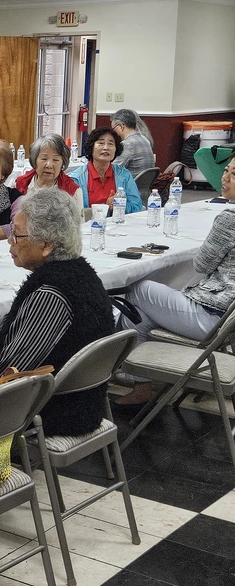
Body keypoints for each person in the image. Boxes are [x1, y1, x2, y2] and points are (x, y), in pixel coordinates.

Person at [0, 190, 116, 437]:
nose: (10, 241)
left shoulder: (51, 293)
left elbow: (10, 368)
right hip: (81, 399)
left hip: (55, 410)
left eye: (16, 234)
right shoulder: (82, 275)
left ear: (47, 245)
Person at [114, 153, 235, 406]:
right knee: (140, 311)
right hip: (227, 322)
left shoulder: (228, 220)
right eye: (227, 170)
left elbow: (201, 265)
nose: (225, 177)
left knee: (135, 289)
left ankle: (114, 370)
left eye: (234, 175)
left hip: (213, 316)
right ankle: (137, 379)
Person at [70, 125, 142, 214]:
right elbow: (72, 213)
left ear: (116, 150)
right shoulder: (75, 178)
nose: (106, 148)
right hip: (87, 226)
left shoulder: (124, 175)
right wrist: (106, 208)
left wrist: (119, 205)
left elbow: (137, 206)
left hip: (118, 225)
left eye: (111, 144)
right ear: (91, 147)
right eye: (101, 143)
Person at [14, 134, 82, 212]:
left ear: (62, 164)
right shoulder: (18, 185)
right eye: (44, 159)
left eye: (55, 160)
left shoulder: (73, 191)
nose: (49, 165)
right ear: (34, 160)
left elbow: (79, 223)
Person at [110, 108, 156, 175]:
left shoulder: (128, 144)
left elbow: (113, 170)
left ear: (121, 126)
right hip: (143, 184)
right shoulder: (145, 140)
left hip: (129, 184)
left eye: (113, 129)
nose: (113, 133)